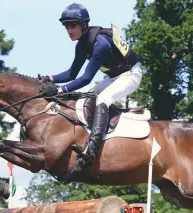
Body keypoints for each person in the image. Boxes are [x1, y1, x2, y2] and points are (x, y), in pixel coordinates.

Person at [39, 3, 142, 167]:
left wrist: (59, 90)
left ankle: (92, 148)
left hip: (131, 75)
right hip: (115, 77)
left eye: (72, 26)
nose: (69, 31)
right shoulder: (81, 44)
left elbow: (86, 78)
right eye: (66, 27)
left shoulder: (100, 44)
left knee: (103, 98)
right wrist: (50, 78)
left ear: (84, 24)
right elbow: (72, 73)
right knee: (90, 96)